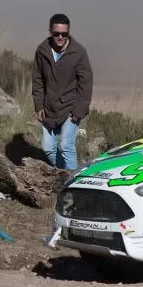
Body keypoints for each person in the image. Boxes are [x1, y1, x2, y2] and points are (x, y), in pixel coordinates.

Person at [32, 13, 93, 171]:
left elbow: (86, 83)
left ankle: (71, 185)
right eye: (56, 34)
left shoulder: (78, 53)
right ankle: (64, 175)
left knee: (66, 146)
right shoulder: (42, 51)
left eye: (64, 34)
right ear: (50, 31)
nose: (60, 37)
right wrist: (39, 105)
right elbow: (37, 79)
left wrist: (79, 110)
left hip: (70, 108)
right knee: (47, 149)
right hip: (49, 108)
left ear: (68, 32)